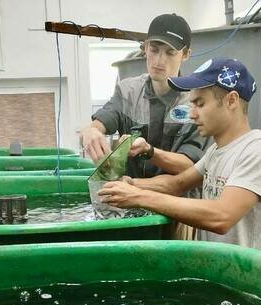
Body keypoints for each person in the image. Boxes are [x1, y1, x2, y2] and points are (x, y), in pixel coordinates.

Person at [98, 58, 261, 256]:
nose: (192, 115)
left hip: (249, 281)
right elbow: (176, 184)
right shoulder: (215, 152)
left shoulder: (260, 149)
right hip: (218, 276)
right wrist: (129, 184)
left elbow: (221, 217)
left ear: (231, 101)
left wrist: (138, 197)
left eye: (200, 104)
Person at [81, 13, 208, 180]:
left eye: (170, 53)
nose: (159, 60)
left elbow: (191, 165)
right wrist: (90, 131)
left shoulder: (196, 102)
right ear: (145, 48)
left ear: (185, 54)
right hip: (130, 200)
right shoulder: (128, 92)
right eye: (154, 50)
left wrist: (149, 151)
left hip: (177, 202)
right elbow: (101, 122)